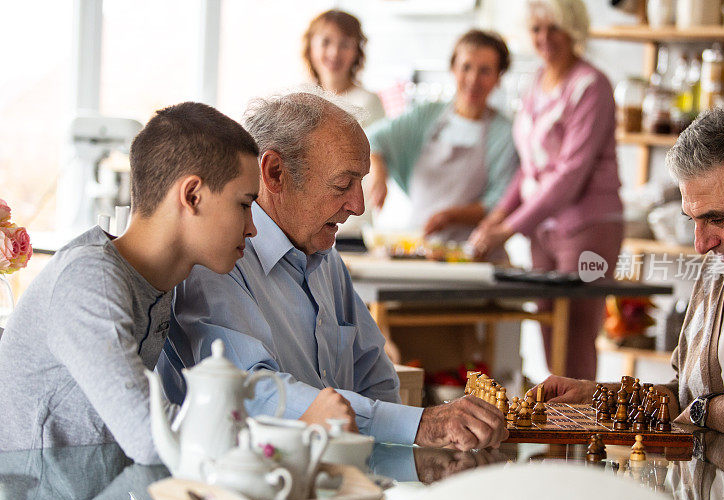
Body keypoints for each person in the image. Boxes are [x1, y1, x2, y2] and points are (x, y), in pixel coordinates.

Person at [161, 92, 508, 451]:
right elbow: (251, 396)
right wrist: (419, 424)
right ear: (275, 172)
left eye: (361, 182)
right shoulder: (217, 261)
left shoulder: (324, 258)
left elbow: (376, 378)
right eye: (343, 184)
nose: (358, 206)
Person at [0, 102, 261, 463]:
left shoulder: (160, 284)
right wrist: (275, 439)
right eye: (244, 204)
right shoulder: (89, 278)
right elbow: (150, 438)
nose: (252, 227)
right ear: (192, 196)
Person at [539, 109, 724, 450]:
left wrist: (704, 410)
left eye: (716, 219)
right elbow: (684, 395)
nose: (701, 244)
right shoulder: (720, 269)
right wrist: (597, 394)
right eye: (692, 220)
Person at [468, 0, 623, 379]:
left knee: (576, 335)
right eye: (537, 30)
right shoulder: (535, 82)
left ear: (573, 29)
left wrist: (507, 229)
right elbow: (530, 167)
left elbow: (571, 174)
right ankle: (559, 435)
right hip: (543, 231)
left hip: (589, 228)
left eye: (554, 28)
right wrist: (498, 216)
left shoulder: (592, 85)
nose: (544, 38)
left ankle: (581, 435)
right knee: (549, 333)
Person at [368, 29, 517, 244]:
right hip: (420, 245)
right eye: (466, 67)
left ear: (498, 77)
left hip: (473, 251)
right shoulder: (426, 115)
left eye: (485, 71)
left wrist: (450, 216)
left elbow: (499, 201)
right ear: (453, 69)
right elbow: (373, 139)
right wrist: (380, 175)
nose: (473, 79)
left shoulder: (505, 133)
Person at [303, 9, 385, 128]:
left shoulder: (368, 102)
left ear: (357, 52)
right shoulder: (299, 101)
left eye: (345, 44)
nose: (334, 53)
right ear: (310, 47)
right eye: (325, 42)